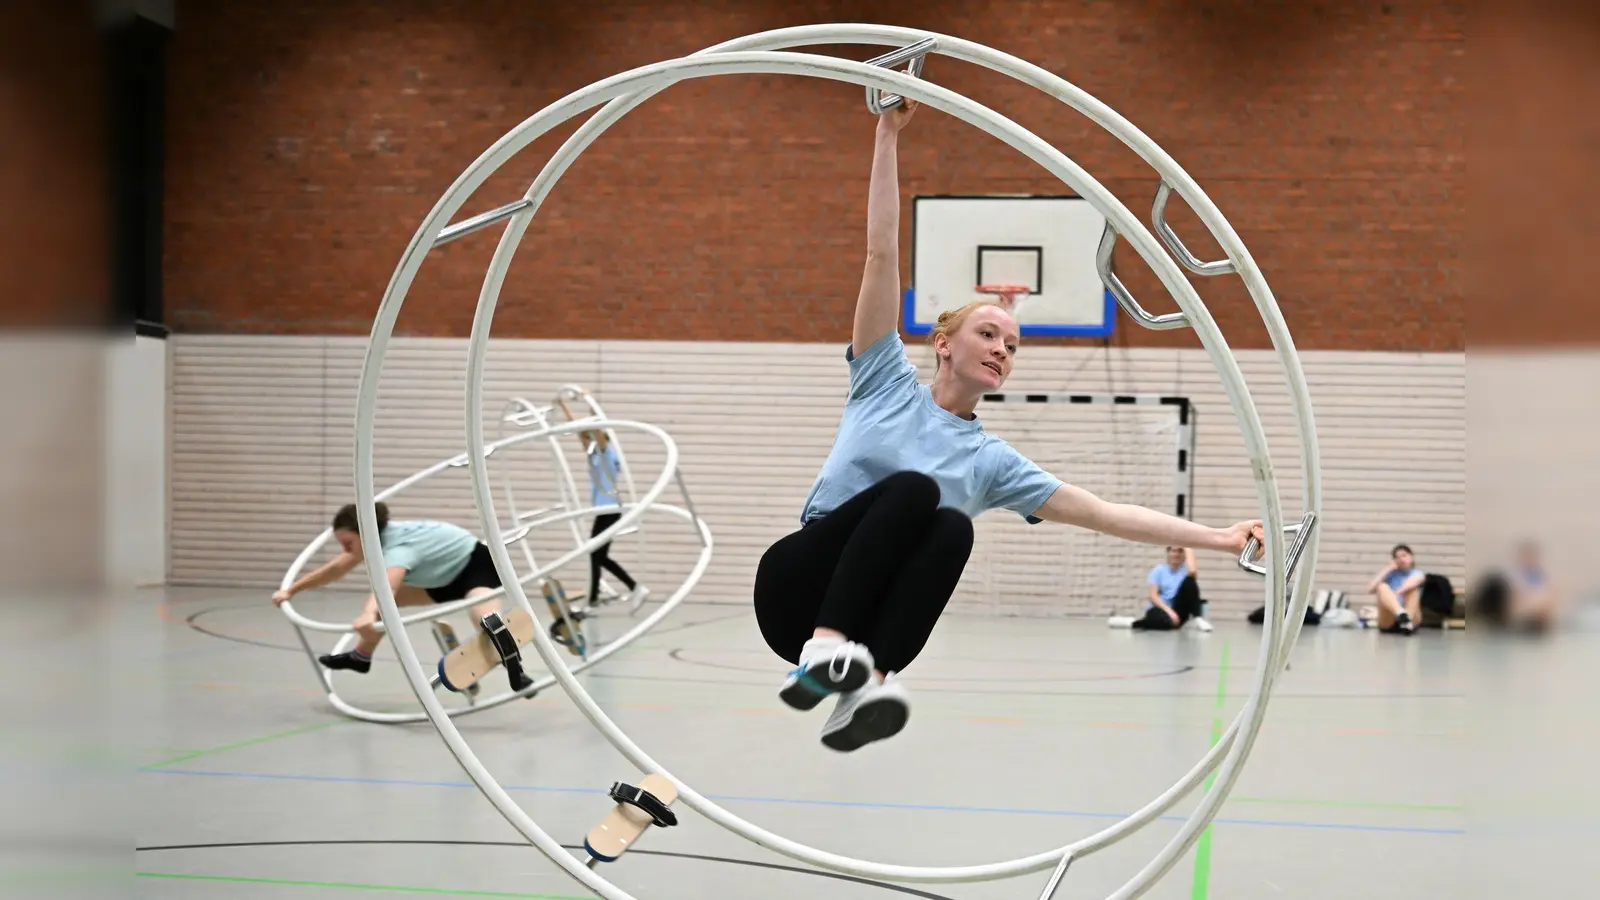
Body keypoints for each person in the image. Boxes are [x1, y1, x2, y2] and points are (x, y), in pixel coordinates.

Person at [751, 98, 1264, 754]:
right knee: (914, 493)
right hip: (798, 589)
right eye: (988, 333)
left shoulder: (990, 462)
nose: (1001, 349)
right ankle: (820, 656)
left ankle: (865, 689)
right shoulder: (883, 382)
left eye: (1013, 345)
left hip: (867, 623)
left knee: (951, 527)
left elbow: (1105, 513)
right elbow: (880, 255)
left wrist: (1221, 537)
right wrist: (887, 132)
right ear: (942, 342)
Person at [273, 502, 513, 681]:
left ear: (364, 534)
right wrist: (291, 590)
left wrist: (367, 613)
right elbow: (335, 570)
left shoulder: (397, 549)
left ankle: (506, 653)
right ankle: (361, 657)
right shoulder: (378, 537)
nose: (345, 550)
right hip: (442, 578)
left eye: (348, 544)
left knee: (482, 614)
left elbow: (386, 587)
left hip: (477, 568)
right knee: (390, 604)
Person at [558, 398, 649, 613]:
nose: (587, 440)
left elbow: (594, 429)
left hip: (610, 510)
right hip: (603, 511)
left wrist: (592, 408)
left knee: (596, 554)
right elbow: (580, 431)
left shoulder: (608, 453)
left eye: (592, 437)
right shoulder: (595, 455)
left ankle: (632, 588)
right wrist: (564, 406)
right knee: (597, 555)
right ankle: (599, 597)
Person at [1109, 547, 1214, 632]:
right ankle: (1132, 623)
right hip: (1162, 609)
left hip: (1178, 609)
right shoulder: (1159, 570)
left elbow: (1193, 572)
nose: (1176, 554)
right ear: (1168, 553)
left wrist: (1187, 546)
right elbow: (1152, 596)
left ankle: (1198, 618)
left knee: (1190, 581)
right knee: (1163, 622)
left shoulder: (1185, 571)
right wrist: (1170, 612)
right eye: (1173, 551)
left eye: (1180, 551)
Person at [1367, 543, 1425, 634]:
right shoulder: (1391, 574)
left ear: (1412, 557)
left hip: (1411, 617)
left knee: (1413, 590)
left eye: (1404, 556)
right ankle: (1401, 614)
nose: (1401, 559)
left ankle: (1406, 620)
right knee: (1381, 586)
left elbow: (1411, 582)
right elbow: (1370, 589)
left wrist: (1396, 594)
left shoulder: (1418, 573)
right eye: (1398, 557)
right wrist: (1388, 569)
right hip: (1389, 619)